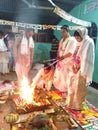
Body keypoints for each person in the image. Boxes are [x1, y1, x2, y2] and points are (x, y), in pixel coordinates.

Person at [66, 28, 95, 110]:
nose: (77, 39)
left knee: (79, 88)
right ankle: (70, 103)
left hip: (82, 70)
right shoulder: (78, 43)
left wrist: (78, 68)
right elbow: (74, 55)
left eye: (78, 38)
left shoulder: (88, 42)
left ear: (82, 35)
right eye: (75, 38)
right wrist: (72, 66)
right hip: (74, 68)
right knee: (71, 86)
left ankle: (77, 106)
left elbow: (85, 58)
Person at [53, 25, 77, 92]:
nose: (62, 33)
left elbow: (70, 53)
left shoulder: (72, 40)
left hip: (67, 62)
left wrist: (62, 58)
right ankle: (59, 90)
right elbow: (59, 50)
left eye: (64, 32)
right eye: (61, 32)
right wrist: (58, 57)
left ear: (68, 31)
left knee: (65, 78)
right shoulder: (61, 40)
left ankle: (64, 91)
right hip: (60, 61)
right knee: (58, 76)